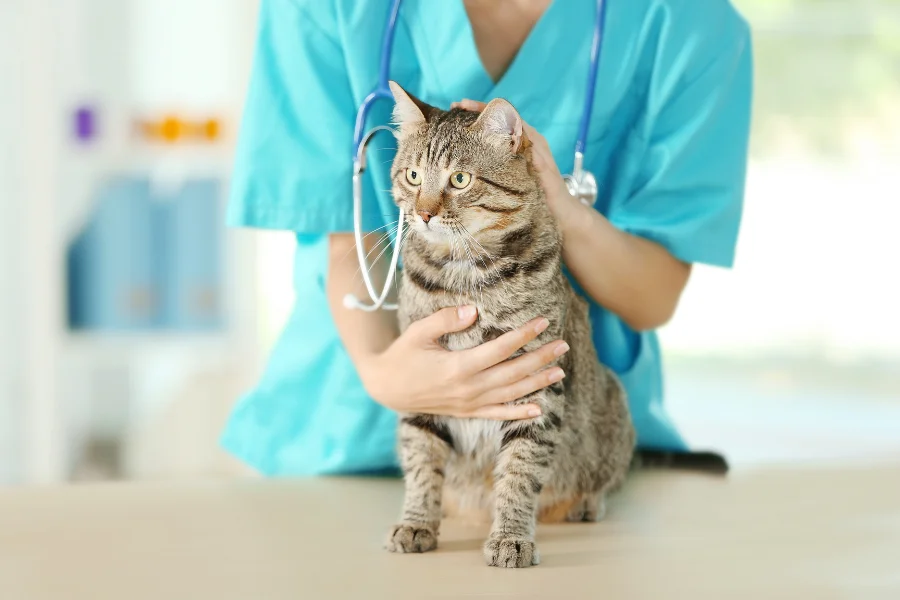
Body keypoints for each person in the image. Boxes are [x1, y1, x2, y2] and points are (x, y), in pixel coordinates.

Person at [221, 0, 753, 476]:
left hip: (557, 447)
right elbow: (345, 234)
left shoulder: (693, 24)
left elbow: (654, 294)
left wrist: (558, 208)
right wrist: (383, 374)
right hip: (344, 435)